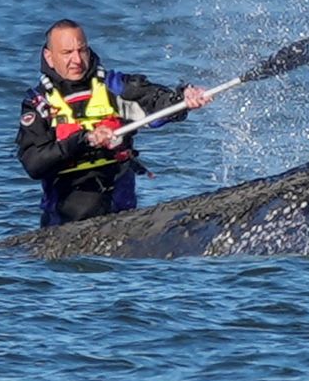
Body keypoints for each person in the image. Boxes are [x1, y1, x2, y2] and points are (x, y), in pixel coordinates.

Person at [16, 19, 211, 227]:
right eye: (67, 53)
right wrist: (84, 140)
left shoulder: (113, 86)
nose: (77, 60)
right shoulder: (39, 103)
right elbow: (34, 164)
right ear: (49, 57)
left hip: (121, 212)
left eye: (82, 50)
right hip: (66, 219)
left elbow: (155, 101)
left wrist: (183, 99)